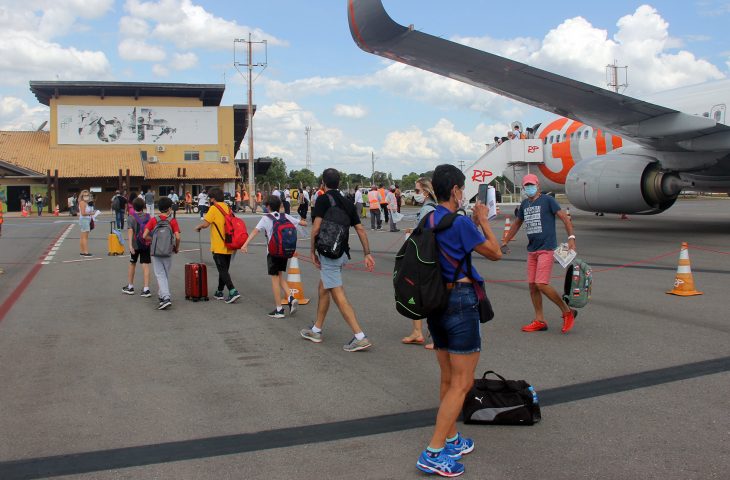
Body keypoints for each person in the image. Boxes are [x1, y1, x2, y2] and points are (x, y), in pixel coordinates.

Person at [415, 164, 501, 477]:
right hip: (461, 302)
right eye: (462, 189)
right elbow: (495, 253)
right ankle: (433, 451)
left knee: (448, 378)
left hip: (435, 302)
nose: (463, 194)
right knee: (463, 382)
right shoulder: (461, 223)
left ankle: (451, 438)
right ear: (454, 190)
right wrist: (483, 222)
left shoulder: (428, 219)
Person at [300, 168, 375, 352]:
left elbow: (316, 229)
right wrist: (367, 253)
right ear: (339, 183)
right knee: (323, 288)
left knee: (337, 293)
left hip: (328, 255)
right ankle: (316, 329)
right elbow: (361, 230)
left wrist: (312, 251)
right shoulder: (348, 202)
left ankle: (360, 336)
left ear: (323, 183)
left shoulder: (323, 199)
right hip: (341, 253)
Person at [501, 173, 577, 333]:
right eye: (526, 186)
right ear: (523, 188)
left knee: (541, 283)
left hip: (546, 248)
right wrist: (505, 240)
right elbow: (516, 223)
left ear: (538, 186)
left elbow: (564, 217)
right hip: (532, 250)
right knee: (532, 286)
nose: (529, 188)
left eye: (532, 185)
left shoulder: (548, 200)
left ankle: (567, 311)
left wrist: (571, 238)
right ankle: (540, 320)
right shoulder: (524, 205)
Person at [241, 195, 307, 317]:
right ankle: (291, 298)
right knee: (279, 275)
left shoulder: (266, 218)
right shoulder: (285, 216)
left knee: (274, 279)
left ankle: (279, 309)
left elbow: (255, 231)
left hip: (273, 253)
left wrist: (245, 244)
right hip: (284, 252)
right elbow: (303, 223)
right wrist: (304, 219)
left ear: (268, 207)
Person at [402, 177, 439, 349]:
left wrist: (413, 233)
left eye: (417, 191)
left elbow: (425, 232)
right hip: (427, 254)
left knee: (425, 293)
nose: (416, 194)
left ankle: (437, 335)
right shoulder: (430, 207)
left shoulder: (428, 208)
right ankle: (417, 331)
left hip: (424, 255)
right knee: (417, 292)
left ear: (425, 190)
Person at [194, 188, 241, 304]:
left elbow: (206, 224)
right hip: (229, 244)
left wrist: (198, 227)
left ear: (213, 198)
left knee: (222, 270)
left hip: (218, 245)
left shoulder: (214, 208)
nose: (209, 200)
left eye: (210, 198)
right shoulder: (227, 207)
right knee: (224, 269)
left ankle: (233, 290)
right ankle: (219, 291)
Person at [143, 197, 181, 310]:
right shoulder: (172, 221)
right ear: (169, 209)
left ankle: (165, 297)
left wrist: (153, 240)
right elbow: (178, 237)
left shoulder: (154, 220)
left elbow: (144, 235)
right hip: (168, 251)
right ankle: (162, 294)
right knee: (165, 274)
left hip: (156, 251)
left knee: (160, 274)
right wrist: (176, 247)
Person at [123, 197, 152, 298]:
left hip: (135, 244)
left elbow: (130, 231)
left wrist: (130, 245)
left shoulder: (131, 217)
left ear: (133, 206)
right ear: (143, 206)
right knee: (145, 265)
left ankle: (130, 286)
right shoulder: (149, 217)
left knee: (132, 264)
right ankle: (146, 289)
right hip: (146, 243)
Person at [77, 189, 93, 256]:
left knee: (82, 236)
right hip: (84, 220)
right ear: (82, 196)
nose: (86, 196)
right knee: (85, 237)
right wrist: (91, 213)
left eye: (87, 195)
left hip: (85, 220)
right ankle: (85, 252)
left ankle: (82, 251)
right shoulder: (82, 203)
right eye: (84, 195)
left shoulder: (86, 203)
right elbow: (83, 213)